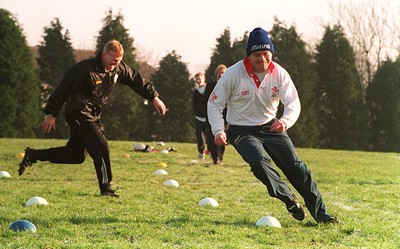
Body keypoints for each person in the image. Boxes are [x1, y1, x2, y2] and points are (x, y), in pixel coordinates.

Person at [207, 27, 338, 224]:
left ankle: (322, 215)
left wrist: (284, 122)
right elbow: (214, 103)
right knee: (259, 162)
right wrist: (218, 131)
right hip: (241, 130)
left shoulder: (280, 73)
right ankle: (288, 198)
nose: (262, 59)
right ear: (249, 55)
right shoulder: (233, 74)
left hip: (272, 126)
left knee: (297, 168)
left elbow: (293, 103)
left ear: (272, 53)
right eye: (257, 54)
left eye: (266, 54)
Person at [18, 40, 167, 197]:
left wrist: (154, 97)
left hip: (93, 114)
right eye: (113, 61)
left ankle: (33, 155)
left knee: (75, 155)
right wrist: (51, 113)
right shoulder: (84, 69)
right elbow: (62, 89)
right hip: (78, 113)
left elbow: (136, 80)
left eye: (119, 61)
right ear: (104, 55)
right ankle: (106, 188)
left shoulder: (118, 68)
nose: (115, 65)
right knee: (101, 146)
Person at [204, 64, 227, 164]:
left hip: (225, 115)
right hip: (212, 115)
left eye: (223, 73)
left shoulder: (230, 85)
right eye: (219, 73)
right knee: (211, 137)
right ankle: (215, 158)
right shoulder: (210, 86)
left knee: (222, 135)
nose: (221, 74)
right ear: (216, 74)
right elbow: (205, 101)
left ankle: (220, 156)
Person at [192, 72, 208, 159]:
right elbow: (194, 105)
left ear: (203, 79)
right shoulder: (195, 92)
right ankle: (201, 152)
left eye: (199, 79)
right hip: (199, 118)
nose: (198, 81)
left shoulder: (209, 89)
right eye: (196, 79)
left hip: (208, 117)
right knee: (200, 137)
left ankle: (212, 152)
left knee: (210, 136)